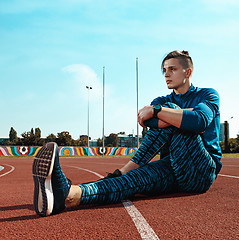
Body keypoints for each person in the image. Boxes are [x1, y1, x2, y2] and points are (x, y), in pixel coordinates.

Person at [32, 50, 222, 217]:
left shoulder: (208, 95)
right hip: (172, 167)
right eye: (164, 70)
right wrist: (170, 115)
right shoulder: (161, 99)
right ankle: (67, 195)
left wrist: (158, 111)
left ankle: (123, 170)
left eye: (172, 69)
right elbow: (149, 122)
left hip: (201, 172)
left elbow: (200, 120)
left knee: (172, 111)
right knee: (133, 181)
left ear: (187, 72)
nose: (166, 74)